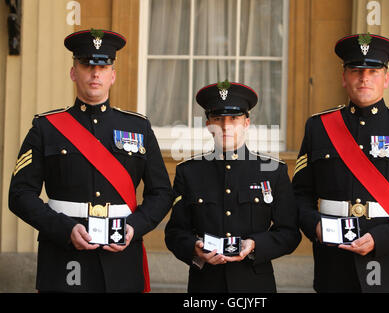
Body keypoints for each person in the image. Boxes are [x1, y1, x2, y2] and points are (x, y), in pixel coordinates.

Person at [8, 29, 173, 292]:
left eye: (103, 65)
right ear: (73, 72)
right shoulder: (46, 128)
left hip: (121, 256)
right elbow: (19, 195)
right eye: (87, 65)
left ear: (113, 75)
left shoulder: (139, 128)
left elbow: (162, 193)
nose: (95, 73)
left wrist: (133, 228)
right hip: (63, 257)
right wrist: (64, 229)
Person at [292, 33, 389, 292]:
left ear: (386, 78)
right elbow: (299, 196)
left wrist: (381, 238)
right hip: (333, 262)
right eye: (356, 70)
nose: (364, 78)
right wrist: (316, 226)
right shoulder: (319, 128)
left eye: (373, 70)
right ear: (344, 77)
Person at [164, 81, 301, 292]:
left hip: (255, 286)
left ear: (246, 122)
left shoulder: (273, 171)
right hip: (205, 285)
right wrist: (194, 249)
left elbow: (289, 233)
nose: (225, 127)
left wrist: (255, 245)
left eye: (234, 119)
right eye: (218, 119)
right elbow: (175, 233)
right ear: (208, 124)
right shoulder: (189, 172)